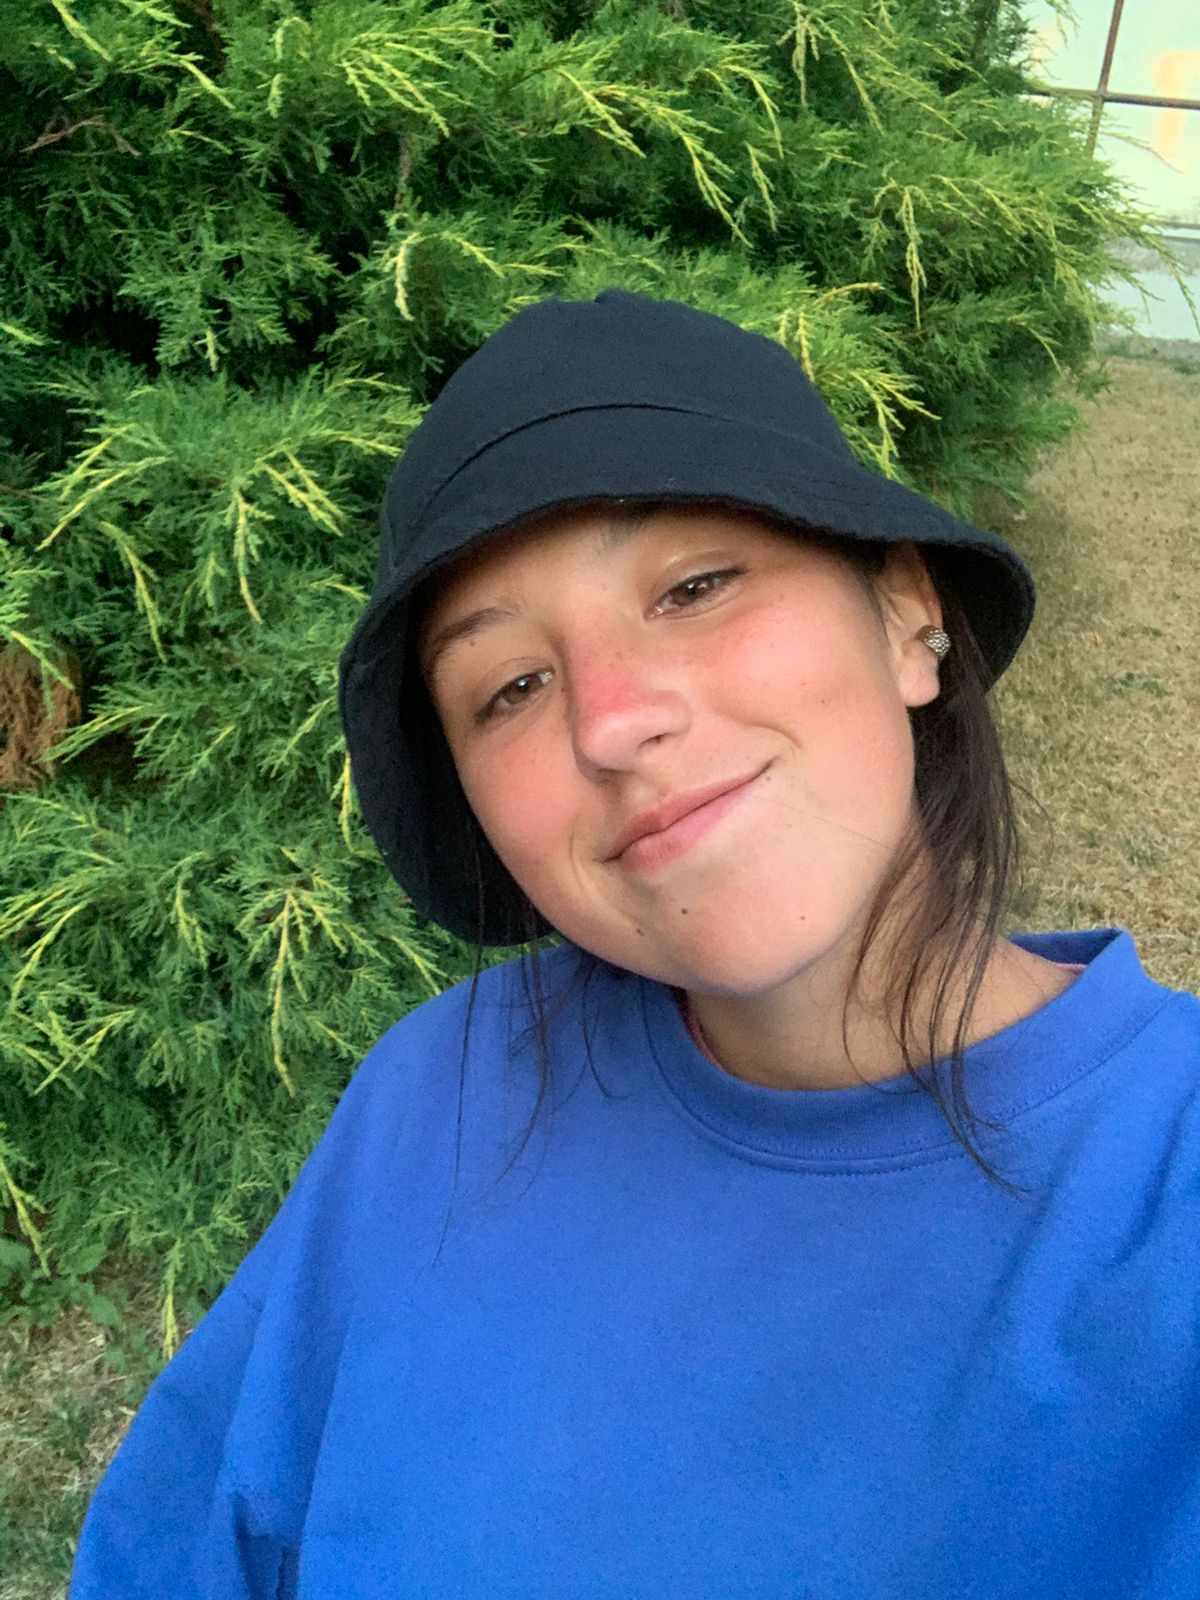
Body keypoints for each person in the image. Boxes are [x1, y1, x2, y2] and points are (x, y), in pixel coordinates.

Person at [70, 291, 1200, 1599]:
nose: (610, 723)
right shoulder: (442, 1092)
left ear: (906, 613)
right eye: (511, 687)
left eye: (695, 587)